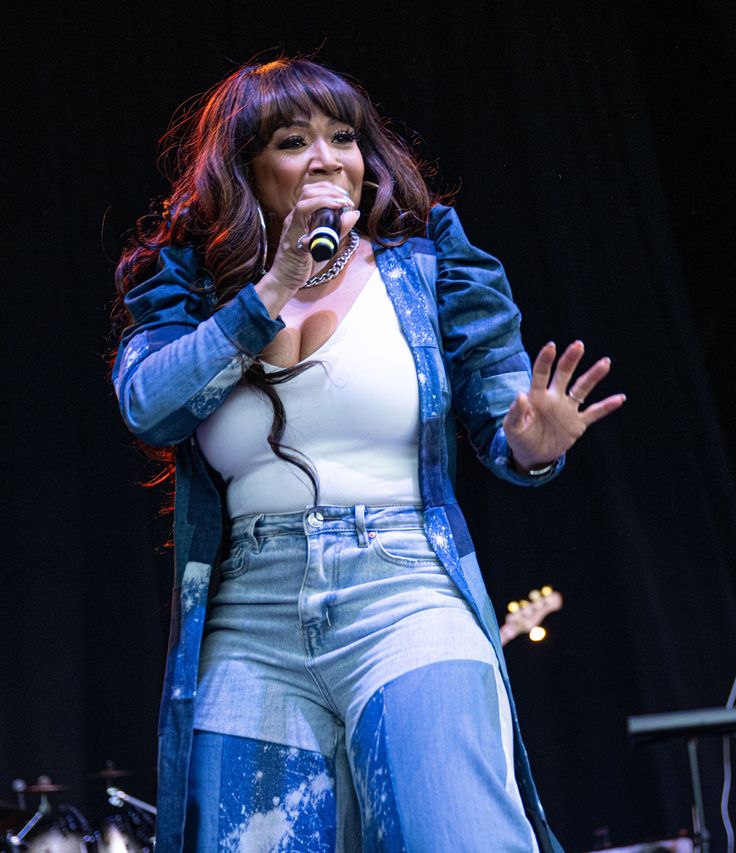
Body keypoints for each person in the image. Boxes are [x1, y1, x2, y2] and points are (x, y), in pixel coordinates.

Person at [112, 57, 624, 851]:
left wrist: (529, 442)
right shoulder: (188, 284)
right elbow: (151, 404)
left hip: (403, 587)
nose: (327, 158)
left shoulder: (424, 260)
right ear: (248, 169)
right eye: (293, 140)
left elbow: (503, 411)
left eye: (343, 136)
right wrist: (272, 289)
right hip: (251, 617)